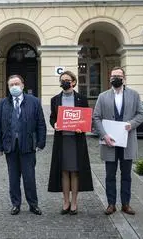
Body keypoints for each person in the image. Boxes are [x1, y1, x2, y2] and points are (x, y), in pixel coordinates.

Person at [93, 67, 143, 215]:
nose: (115, 78)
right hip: (109, 143)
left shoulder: (134, 95)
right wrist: (104, 135)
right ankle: (111, 204)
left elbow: (141, 114)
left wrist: (132, 124)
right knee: (110, 175)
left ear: (124, 78)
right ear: (110, 78)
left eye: (118, 76)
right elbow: (96, 117)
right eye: (113, 76)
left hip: (127, 142)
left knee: (126, 175)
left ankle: (126, 204)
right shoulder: (102, 96)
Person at [0, 74, 46, 216]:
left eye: (16, 84)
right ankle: (15, 204)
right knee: (13, 177)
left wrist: (41, 142)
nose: (14, 87)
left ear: (22, 85)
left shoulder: (34, 102)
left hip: (28, 146)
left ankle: (33, 204)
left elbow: (41, 123)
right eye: (11, 85)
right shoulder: (3, 103)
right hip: (10, 146)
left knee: (29, 177)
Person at [48, 71, 93, 215]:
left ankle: (74, 202)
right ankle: (65, 201)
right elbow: (52, 117)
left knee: (75, 171)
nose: (64, 82)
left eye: (67, 80)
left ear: (73, 82)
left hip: (76, 140)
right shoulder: (55, 99)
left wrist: (83, 127)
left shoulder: (81, 98)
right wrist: (54, 124)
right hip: (62, 140)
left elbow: (86, 119)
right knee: (63, 171)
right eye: (62, 80)